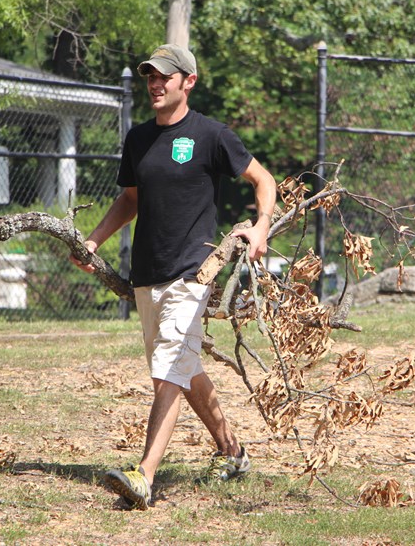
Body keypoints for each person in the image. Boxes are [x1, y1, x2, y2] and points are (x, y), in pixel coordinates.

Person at [70, 43, 277, 510]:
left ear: (189, 81)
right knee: (182, 368)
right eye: (151, 76)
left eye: (165, 76)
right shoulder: (138, 139)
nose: (155, 84)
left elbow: (264, 180)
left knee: (168, 370)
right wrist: (93, 242)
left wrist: (260, 226)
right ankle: (233, 452)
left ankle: (144, 477)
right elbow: (130, 200)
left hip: (193, 272)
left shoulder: (211, 135)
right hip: (148, 274)